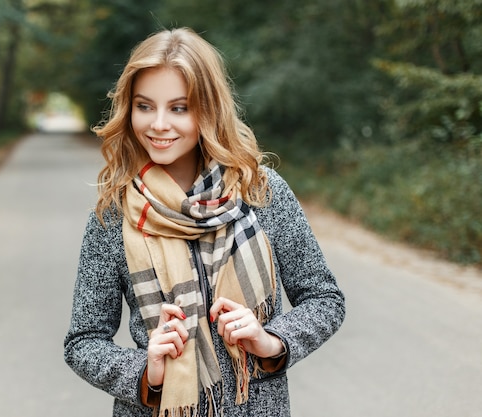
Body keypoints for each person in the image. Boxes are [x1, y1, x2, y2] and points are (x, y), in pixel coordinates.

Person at [64, 27, 345, 417]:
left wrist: (271, 341)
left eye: (179, 108)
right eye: (145, 106)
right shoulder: (116, 213)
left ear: (208, 110)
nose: (159, 124)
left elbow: (324, 299)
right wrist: (147, 371)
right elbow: (83, 340)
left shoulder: (259, 191)